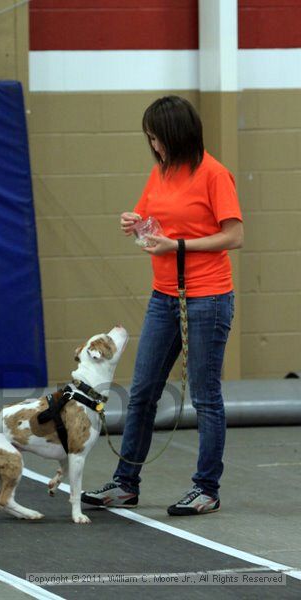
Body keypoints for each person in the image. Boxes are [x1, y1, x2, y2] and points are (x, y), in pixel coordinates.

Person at [81, 95, 243, 516]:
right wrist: (133, 224)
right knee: (142, 393)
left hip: (207, 298)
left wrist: (179, 245)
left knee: (206, 397)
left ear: (174, 135)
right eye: (150, 139)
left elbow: (233, 235)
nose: (153, 145)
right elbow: (148, 222)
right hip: (164, 297)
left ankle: (206, 488)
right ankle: (124, 483)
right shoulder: (161, 172)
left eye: (156, 137)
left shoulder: (214, 174)